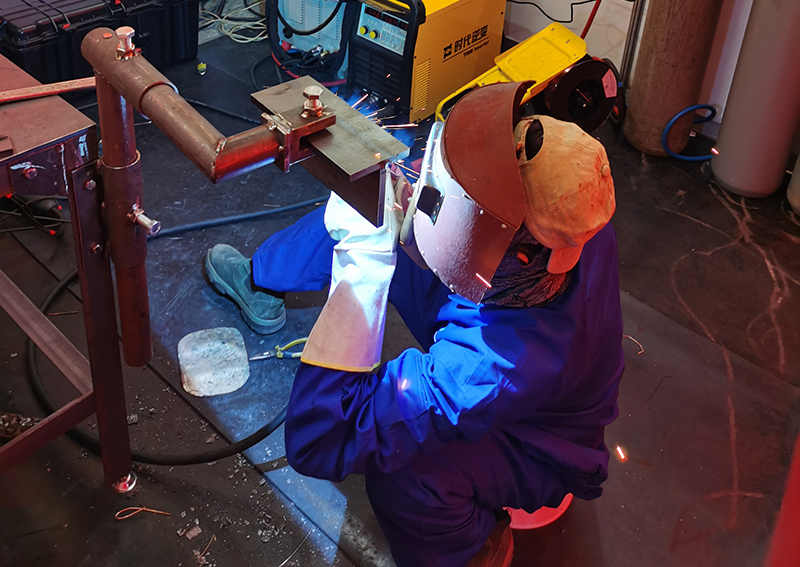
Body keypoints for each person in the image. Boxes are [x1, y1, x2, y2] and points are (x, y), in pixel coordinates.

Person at [204, 82, 624, 567]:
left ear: (513, 251)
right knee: (370, 202)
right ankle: (262, 278)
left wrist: (362, 271)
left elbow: (320, 439)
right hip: (499, 307)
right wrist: (405, 209)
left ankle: (473, 550)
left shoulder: (484, 371)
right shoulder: (569, 209)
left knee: (407, 475)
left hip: (538, 443)